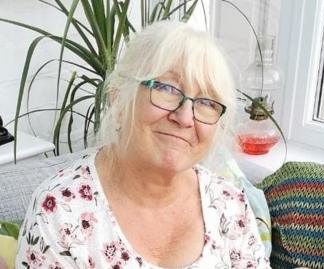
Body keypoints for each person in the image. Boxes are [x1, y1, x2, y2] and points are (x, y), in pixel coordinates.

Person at [16, 21, 270, 268]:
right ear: (118, 99)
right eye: (166, 88)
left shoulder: (229, 203)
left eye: (207, 102)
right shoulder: (60, 210)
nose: (184, 118)